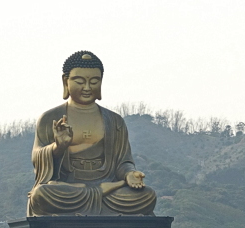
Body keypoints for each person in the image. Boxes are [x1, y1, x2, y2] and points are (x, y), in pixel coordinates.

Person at [27, 50, 156, 216]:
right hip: (69, 187)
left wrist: (130, 174)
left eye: (94, 81)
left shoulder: (115, 121)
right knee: (42, 195)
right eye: (79, 81)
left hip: (107, 187)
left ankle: (103, 191)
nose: (87, 88)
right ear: (66, 81)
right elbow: (37, 157)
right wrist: (58, 146)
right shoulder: (50, 118)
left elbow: (123, 161)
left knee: (147, 196)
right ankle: (100, 192)